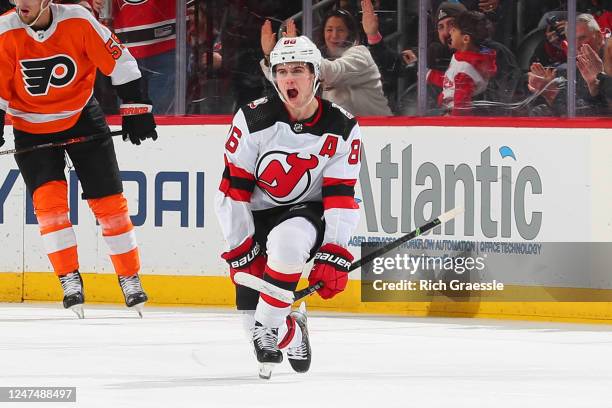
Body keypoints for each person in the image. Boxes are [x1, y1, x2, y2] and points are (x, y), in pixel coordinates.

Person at [215, 35, 362, 379]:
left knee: (288, 243)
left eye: (298, 70)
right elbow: (232, 191)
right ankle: (292, 330)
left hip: (305, 212)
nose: (289, 79)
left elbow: (341, 196)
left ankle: (272, 325)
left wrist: (334, 251)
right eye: (281, 71)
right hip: (254, 214)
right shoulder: (253, 119)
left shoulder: (342, 126)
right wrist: (242, 250)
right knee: (251, 322)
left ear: (316, 75)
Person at [0, 0, 158, 318]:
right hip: (30, 128)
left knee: (110, 202)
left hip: (81, 116)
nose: (21, 3)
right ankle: (69, 277)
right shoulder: (4, 30)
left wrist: (135, 105)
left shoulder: (78, 20)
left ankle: (129, 276)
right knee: (50, 208)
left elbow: (121, 64)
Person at [260, 9, 392, 116]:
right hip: (347, 135)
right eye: (329, 30)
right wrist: (269, 56)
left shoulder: (360, 55)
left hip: (380, 133)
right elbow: (285, 81)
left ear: (350, 34)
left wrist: (296, 53)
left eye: (340, 30)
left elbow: (332, 72)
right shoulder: (321, 61)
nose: (334, 35)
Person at [428, 10, 497, 115]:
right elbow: (451, 81)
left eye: (454, 29)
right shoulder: (462, 59)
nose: (450, 32)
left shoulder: (465, 70)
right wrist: (429, 75)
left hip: (453, 116)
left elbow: (461, 105)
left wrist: (452, 120)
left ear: (465, 39)